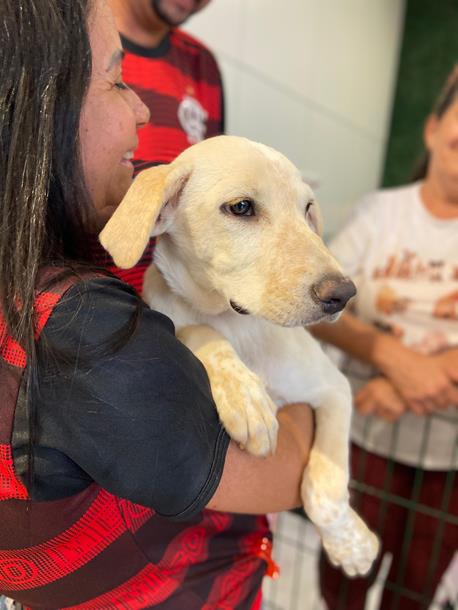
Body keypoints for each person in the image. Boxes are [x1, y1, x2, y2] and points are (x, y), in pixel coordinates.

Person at [0, 2, 314, 608]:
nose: (142, 108)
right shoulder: (91, 339)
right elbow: (285, 467)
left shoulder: (34, 291)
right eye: (118, 81)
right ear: (40, 108)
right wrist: (310, 389)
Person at [312, 68, 458, 610]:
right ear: (432, 128)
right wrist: (389, 355)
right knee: (344, 571)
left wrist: (410, 383)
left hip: (451, 459)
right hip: (366, 439)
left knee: (417, 587)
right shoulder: (382, 214)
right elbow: (320, 302)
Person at [100, 0, 224, 293]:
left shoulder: (202, 64)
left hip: (169, 316)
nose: (141, 113)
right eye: (116, 84)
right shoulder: (80, 37)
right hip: (81, 309)